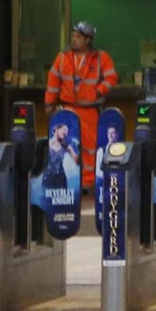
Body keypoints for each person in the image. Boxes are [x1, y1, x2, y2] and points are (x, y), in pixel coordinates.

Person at [46, 21, 118, 189]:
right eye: (73, 36)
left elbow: (112, 78)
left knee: (90, 147)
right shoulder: (63, 58)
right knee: (68, 145)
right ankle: (70, 181)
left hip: (90, 110)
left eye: (78, 37)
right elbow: (53, 82)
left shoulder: (101, 58)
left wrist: (98, 91)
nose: (74, 40)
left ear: (87, 40)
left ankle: (88, 182)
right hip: (68, 109)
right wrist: (49, 104)